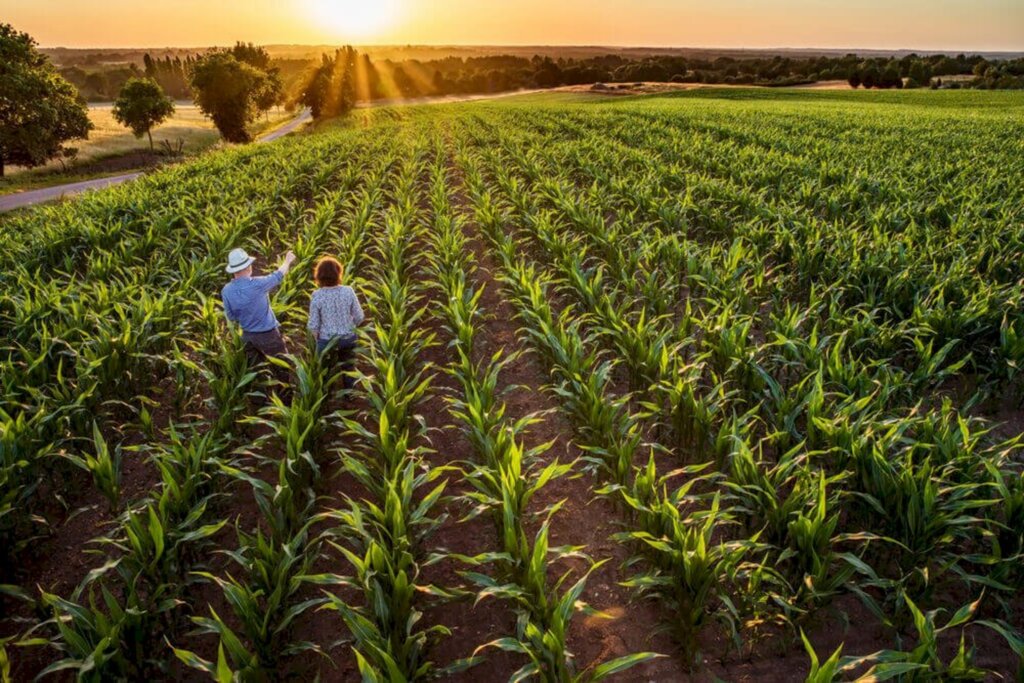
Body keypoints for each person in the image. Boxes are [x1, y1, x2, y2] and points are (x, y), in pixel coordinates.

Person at [222, 247, 297, 373]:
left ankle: (264, 391)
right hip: (268, 335)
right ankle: (284, 391)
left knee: (256, 372)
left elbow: (231, 317)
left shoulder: (226, 290)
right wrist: (287, 261)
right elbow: (278, 275)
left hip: (246, 337)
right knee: (283, 367)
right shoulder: (258, 284)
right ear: (248, 267)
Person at [307, 256, 364, 388]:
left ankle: (326, 393)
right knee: (348, 367)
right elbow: (359, 316)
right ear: (338, 273)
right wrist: (350, 327)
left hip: (327, 341)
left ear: (319, 276)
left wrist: (319, 342)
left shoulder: (317, 295)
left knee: (324, 371)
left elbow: (313, 325)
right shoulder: (348, 291)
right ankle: (349, 393)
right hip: (348, 338)